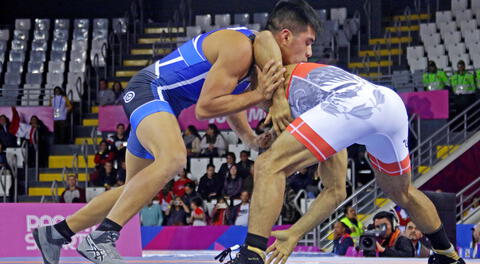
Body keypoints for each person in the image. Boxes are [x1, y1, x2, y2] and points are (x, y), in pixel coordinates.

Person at [33, 0, 317, 261]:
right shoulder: (240, 46)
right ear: (285, 36)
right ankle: (101, 239)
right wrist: (258, 96)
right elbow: (205, 109)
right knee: (173, 159)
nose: (309, 53)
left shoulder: (254, 64)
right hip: (150, 90)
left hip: (162, 103)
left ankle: (55, 233)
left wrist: (250, 137)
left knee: (132, 192)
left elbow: (229, 104)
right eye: (308, 43)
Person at [220, 32, 465, 264]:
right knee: (403, 192)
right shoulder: (323, 118)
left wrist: (264, 116)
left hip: (352, 104)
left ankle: (252, 253)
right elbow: (336, 191)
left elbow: (262, 38)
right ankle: (448, 255)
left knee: (268, 163)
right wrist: (295, 233)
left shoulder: (275, 76)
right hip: (387, 104)